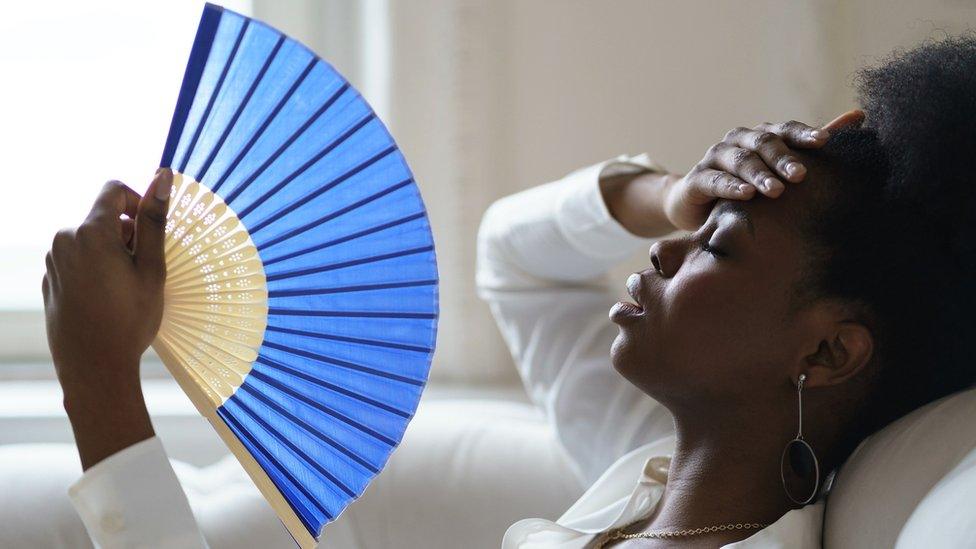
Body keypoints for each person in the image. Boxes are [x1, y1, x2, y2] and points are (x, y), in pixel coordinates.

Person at [41, 36, 976, 548]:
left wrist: (100, 384)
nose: (661, 255)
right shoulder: (664, 467)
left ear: (825, 351)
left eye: (716, 247)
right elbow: (516, 256)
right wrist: (675, 194)